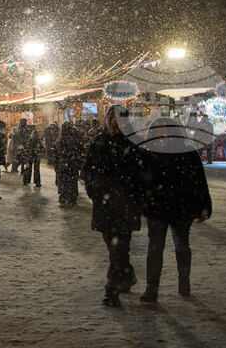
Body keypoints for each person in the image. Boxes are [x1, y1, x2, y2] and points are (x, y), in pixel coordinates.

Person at [139, 117, 212, 304]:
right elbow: (140, 182)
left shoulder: (186, 151)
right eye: (159, 129)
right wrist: (141, 203)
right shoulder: (148, 151)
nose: (163, 133)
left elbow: (198, 181)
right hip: (157, 208)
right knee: (155, 249)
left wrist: (203, 207)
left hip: (181, 207)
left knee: (182, 246)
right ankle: (151, 289)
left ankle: (184, 281)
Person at [83, 105, 146, 307]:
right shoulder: (99, 142)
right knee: (113, 247)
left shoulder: (134, 144)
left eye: (118, 119)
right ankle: (127, 275)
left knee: (119, 248)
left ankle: (112, 290)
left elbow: (142, 175)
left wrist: (137, 196)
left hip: (126, 206)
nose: (114, 123)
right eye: (111, 118)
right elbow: (87, 170)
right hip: (104, 205)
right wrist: (94, 192)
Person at [55, 122, 83, 207]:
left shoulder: (61, 140)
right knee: (72, 181)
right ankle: (71, 197)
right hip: (72, 164)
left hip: (64, 165)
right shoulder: (74, 139)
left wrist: (57, 164)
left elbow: (56, 153)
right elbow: (79, 151)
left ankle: (64, 195)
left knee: (64, 181)